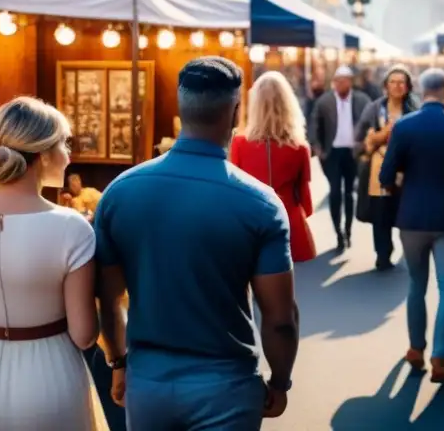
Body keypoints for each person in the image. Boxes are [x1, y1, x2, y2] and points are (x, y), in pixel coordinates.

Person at [95, 58, 298, 429]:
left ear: (180, 108)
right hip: (226, 384)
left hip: (149, 380)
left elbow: (108, 302)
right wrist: (280, 381)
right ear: (236, 113)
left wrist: (120, 363)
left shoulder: (119, 193)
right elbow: (280, 318)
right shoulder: (261, 203)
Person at [0, 97, 106, 430]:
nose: (68, 154)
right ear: (43, 155)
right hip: (51, 378)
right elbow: (84, 335)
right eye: (64, 143)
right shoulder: (72, 226)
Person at [379, 69, 444, 386]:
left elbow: (386, 174)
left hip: (412, 218)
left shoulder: (404, 127)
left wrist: (404, 190)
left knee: (416, 284)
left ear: (422, 91)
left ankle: (415, 348)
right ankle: (440, 358)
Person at [230, 71, 316, 263]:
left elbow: (233, 190)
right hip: (289, 222)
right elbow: (306, 203)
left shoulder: (239, 144)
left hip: (249, 222)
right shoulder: (300, 147)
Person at [355, 65, 418, 271]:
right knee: (380, 213)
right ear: (386, 86)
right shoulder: (374, 108)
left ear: (408, 86)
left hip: (407, 169)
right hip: (378, 167)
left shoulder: (414, 109)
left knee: (405, 212)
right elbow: (363, 139)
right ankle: (383, 254)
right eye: (393, 82)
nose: (397, 86)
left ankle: (410, 252)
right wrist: (379, 136)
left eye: (402, 82)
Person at [309, 66, 371, 251]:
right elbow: (314, 124)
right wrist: (317, 148)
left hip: (353, 152)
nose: (339, 84)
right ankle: (338, 233)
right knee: (335, 191)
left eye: (343, 81)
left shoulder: (362, 100)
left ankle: (348, 230)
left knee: (349, 194)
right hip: (332, 152)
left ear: (350, 82)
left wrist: (366, 145)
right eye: (336, 81)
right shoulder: (325, 101)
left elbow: (370, 122)